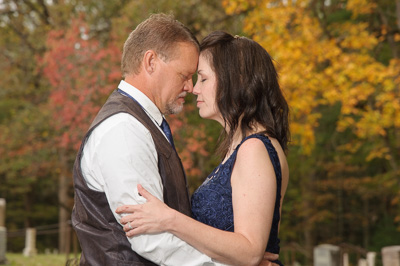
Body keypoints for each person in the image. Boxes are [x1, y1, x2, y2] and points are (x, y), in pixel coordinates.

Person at [116, 31, 290, 266]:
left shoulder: (254, 150)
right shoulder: (244, 147)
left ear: (236, 81)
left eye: (204, 79)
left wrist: (169, 219)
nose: (195, 89)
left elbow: (250, 252)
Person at [71, 13, 222, 265]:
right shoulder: (124, 129)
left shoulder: (140, 123)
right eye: (184, 75)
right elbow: (152, 240)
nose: (190, 87)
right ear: (150, 62)